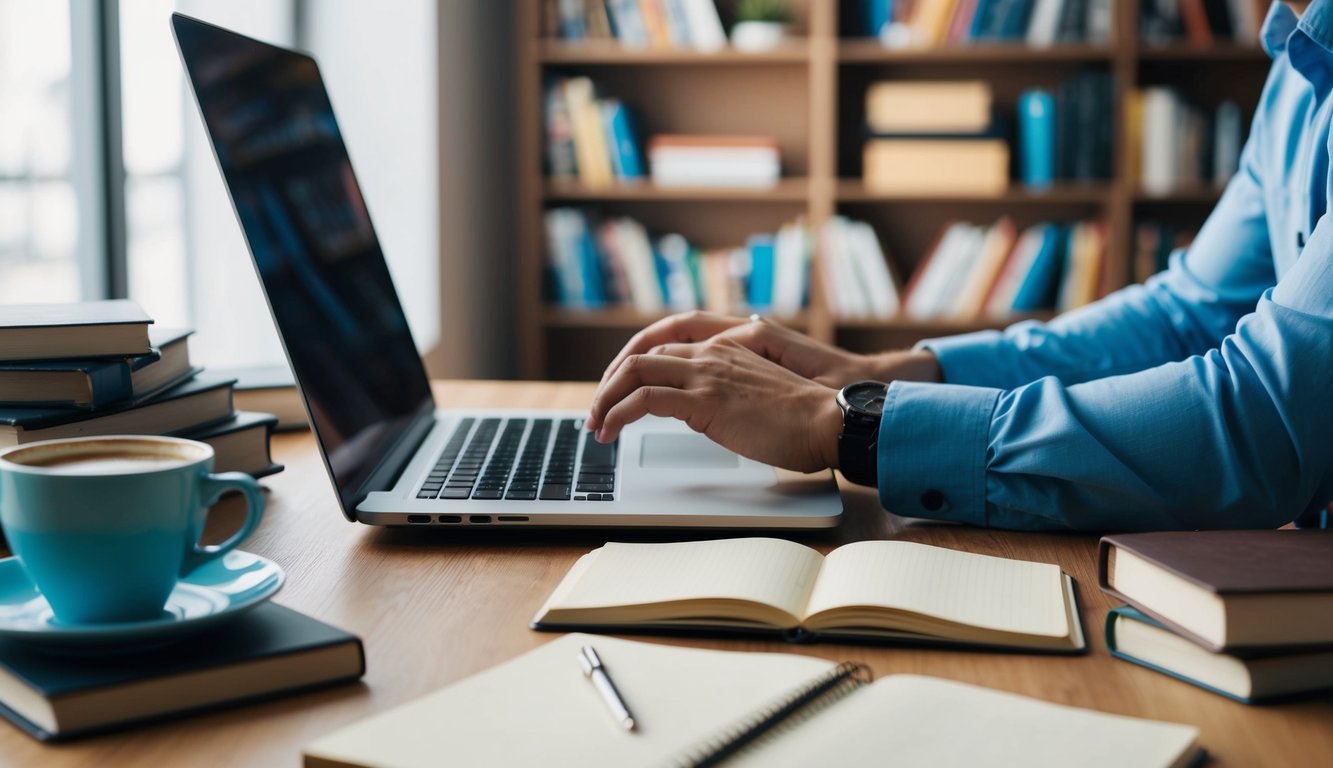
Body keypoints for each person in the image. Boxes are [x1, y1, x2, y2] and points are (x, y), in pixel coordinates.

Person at [586, 0, 1332, 532]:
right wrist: (880, 372)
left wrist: (851, 428)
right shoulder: (1296, 68)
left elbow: (1264, 423)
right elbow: (1186, 316)